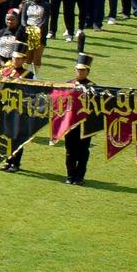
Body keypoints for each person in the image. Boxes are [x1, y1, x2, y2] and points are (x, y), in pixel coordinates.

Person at [62, 53, 94, 186]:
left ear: (88, 71)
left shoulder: (93, 87)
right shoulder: (68, 84)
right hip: (70, 123)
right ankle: (70, 175)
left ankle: (79, 176)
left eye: (83, 70)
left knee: (82, 151)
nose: (80, 72)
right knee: (70, 151)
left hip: (85, 124)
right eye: (78, 70)